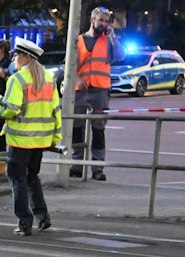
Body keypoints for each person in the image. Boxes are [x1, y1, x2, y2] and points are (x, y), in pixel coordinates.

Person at [0, 37, 59, 235]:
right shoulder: (49, 79)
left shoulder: (18, 79)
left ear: (25, 57)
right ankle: (43, 217)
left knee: (18, 179)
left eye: (16, 55)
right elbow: (55, 110)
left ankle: (24, 222)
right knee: (32, 177)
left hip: (20, 139)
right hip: (41, 140)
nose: (13, 58)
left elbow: (11, 110)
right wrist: (55, 138)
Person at [67, 8, 112, 179]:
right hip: (81, 91)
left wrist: (113, 37)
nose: (104, 24)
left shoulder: (108, 41)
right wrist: (77, 79)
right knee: (77, 128)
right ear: (92, 20)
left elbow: (121, 55)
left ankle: (97, 168)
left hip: (100, 90)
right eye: (101, 20)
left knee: (98, 130)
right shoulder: (78, 40)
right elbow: (69, 65)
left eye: (106, 21)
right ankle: (76, 166)